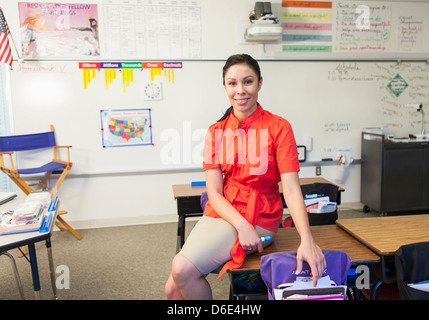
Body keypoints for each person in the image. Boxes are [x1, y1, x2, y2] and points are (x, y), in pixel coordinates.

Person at [165, 54, 326, 300]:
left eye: (247, 82)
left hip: (261, 218)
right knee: (172, 288)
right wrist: (241, 226)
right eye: (232, 83)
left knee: (181, 270)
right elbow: (214, 193)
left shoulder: (279, 127)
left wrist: (307, 240)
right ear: (225, 86)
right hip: (225, 211)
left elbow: (292, 190)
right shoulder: (215, 131)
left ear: (260, 83)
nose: (240, 90)